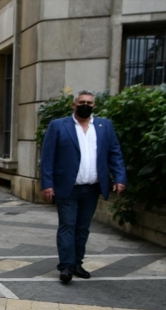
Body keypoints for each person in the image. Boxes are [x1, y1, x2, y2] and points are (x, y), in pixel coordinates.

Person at [40, 90, 126, 284]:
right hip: (67, 187)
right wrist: (47, 184)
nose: (85, 105)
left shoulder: (105, 126)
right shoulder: (58, 126)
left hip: (92, 188)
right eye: (81, 102)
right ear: (74, 105)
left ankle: (77, 263)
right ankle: (66, 267)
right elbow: (47, 158)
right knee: (67, 225)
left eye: (89, 102)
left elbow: (115, 154)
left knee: (83, 228)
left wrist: (119, 177)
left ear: (94, 105)